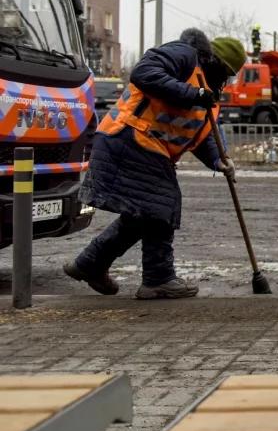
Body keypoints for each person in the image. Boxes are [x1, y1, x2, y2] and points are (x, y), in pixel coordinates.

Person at [63, 29, 246, 299]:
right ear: (218, 63)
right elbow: (144, 73)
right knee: (163, 204)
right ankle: (158, 278)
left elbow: (206, 135)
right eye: (228, 74)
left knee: (144, 213)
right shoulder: (184, 55)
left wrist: (220, 160)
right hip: (128, 137)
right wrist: (193, 93)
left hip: (145, 146)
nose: (227, 82)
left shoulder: (207, 95)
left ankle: (91, 263)